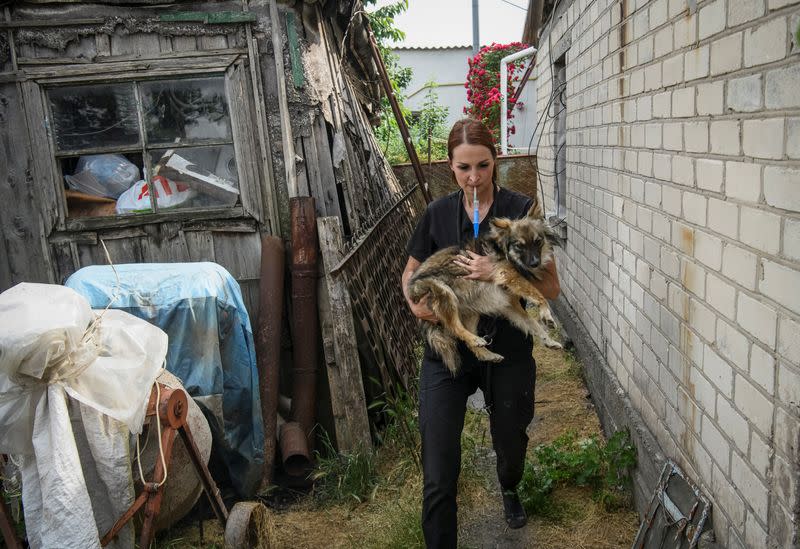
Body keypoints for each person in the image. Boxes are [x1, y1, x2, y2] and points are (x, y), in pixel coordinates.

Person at [401, 118, 560, 548]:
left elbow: (551, 287)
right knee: (438, 473)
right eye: (463, 168)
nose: (474, 178)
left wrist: (500, 270)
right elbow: (411, 272)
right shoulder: (436, 213)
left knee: (510, 439)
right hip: (449, 350)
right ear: (450, 168)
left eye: (483, 166)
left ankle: (508, 486)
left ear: (496, 161)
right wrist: (416, 303)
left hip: (507, 347)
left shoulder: (520, 210)